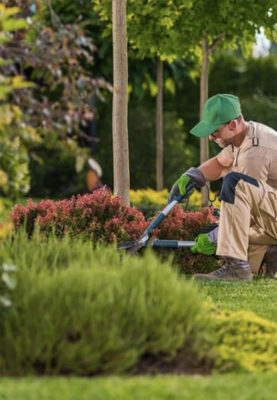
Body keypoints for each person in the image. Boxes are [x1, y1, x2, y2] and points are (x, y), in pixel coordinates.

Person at [168, 93, 277, 280]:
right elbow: (221, 163)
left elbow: (248, 212)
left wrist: (217, 236)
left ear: (232, 125)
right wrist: (193, 176)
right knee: (231, 235)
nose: (210, 137)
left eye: (214, 132)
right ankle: (270, 256)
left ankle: (236, 268)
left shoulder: (254, 154)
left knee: (235, 184)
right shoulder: (242, 137)